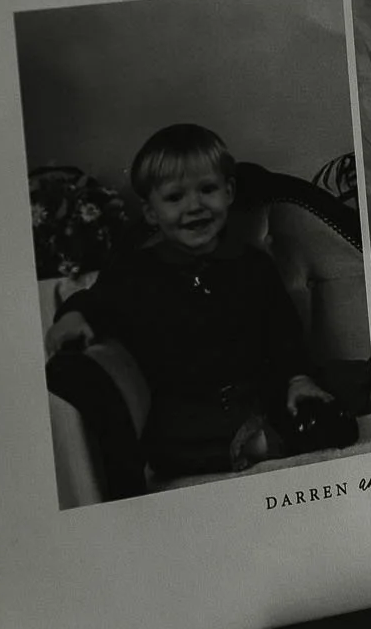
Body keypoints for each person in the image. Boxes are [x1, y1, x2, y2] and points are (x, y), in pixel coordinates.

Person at [44, 124, 340, 497]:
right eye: (175, 197)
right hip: (184, 407)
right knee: (178, 437)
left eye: (208, 190)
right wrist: (73, 315)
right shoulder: (137, 271)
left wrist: (298, 378)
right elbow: (96, 300)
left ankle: (287, 429)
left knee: (324, 412)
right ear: (151, 212)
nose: (195, 205)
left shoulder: (253, 266)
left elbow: (284, 332)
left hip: (255, 393)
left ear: (228, 192)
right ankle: (255, 443)